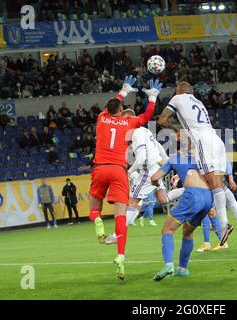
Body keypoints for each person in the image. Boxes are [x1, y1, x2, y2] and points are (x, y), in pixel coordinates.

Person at [158, 81, 237, 246]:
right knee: (219, 185)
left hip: (203, 143)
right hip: (216, 140)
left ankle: (223, 225)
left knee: (214, 186)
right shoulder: (198, 102)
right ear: (191, 91)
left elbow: (162, 120)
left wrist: (176, 130)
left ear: (179, 91)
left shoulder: (177, 99)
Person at [88, 76, 161, 281]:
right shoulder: (128, 122)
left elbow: (112, 104)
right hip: (119, 170)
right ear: (121, 112)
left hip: (100, 168)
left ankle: (98, 220)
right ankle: (120, 255)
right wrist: (153, 97)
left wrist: (124, 90)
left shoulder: (101, 118)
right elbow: (147, 115)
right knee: (122, 214)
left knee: (94, 208)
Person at [150, 145, 214, 280]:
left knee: (167, 229)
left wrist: (155, 184)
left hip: (192, 194)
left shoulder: (174, 158)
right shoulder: (197, 158)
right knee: (188, 231)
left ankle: (168, 265)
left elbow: (155, 177)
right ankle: (182, 268)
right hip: (208, 196)